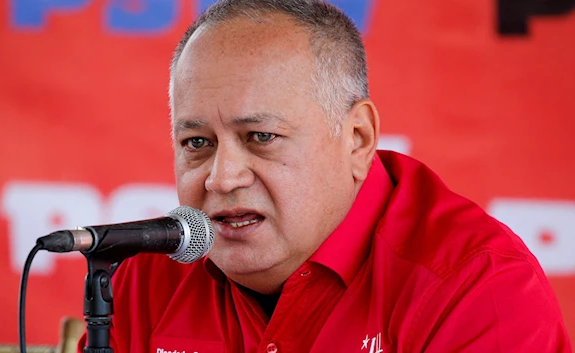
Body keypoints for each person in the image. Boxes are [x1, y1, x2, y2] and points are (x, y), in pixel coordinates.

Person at [79, 0, 571, 351]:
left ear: (357, 138)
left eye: (260, 137)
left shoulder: (478, 290)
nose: (221, 179)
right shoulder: (146, 278)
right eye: (197, 144)